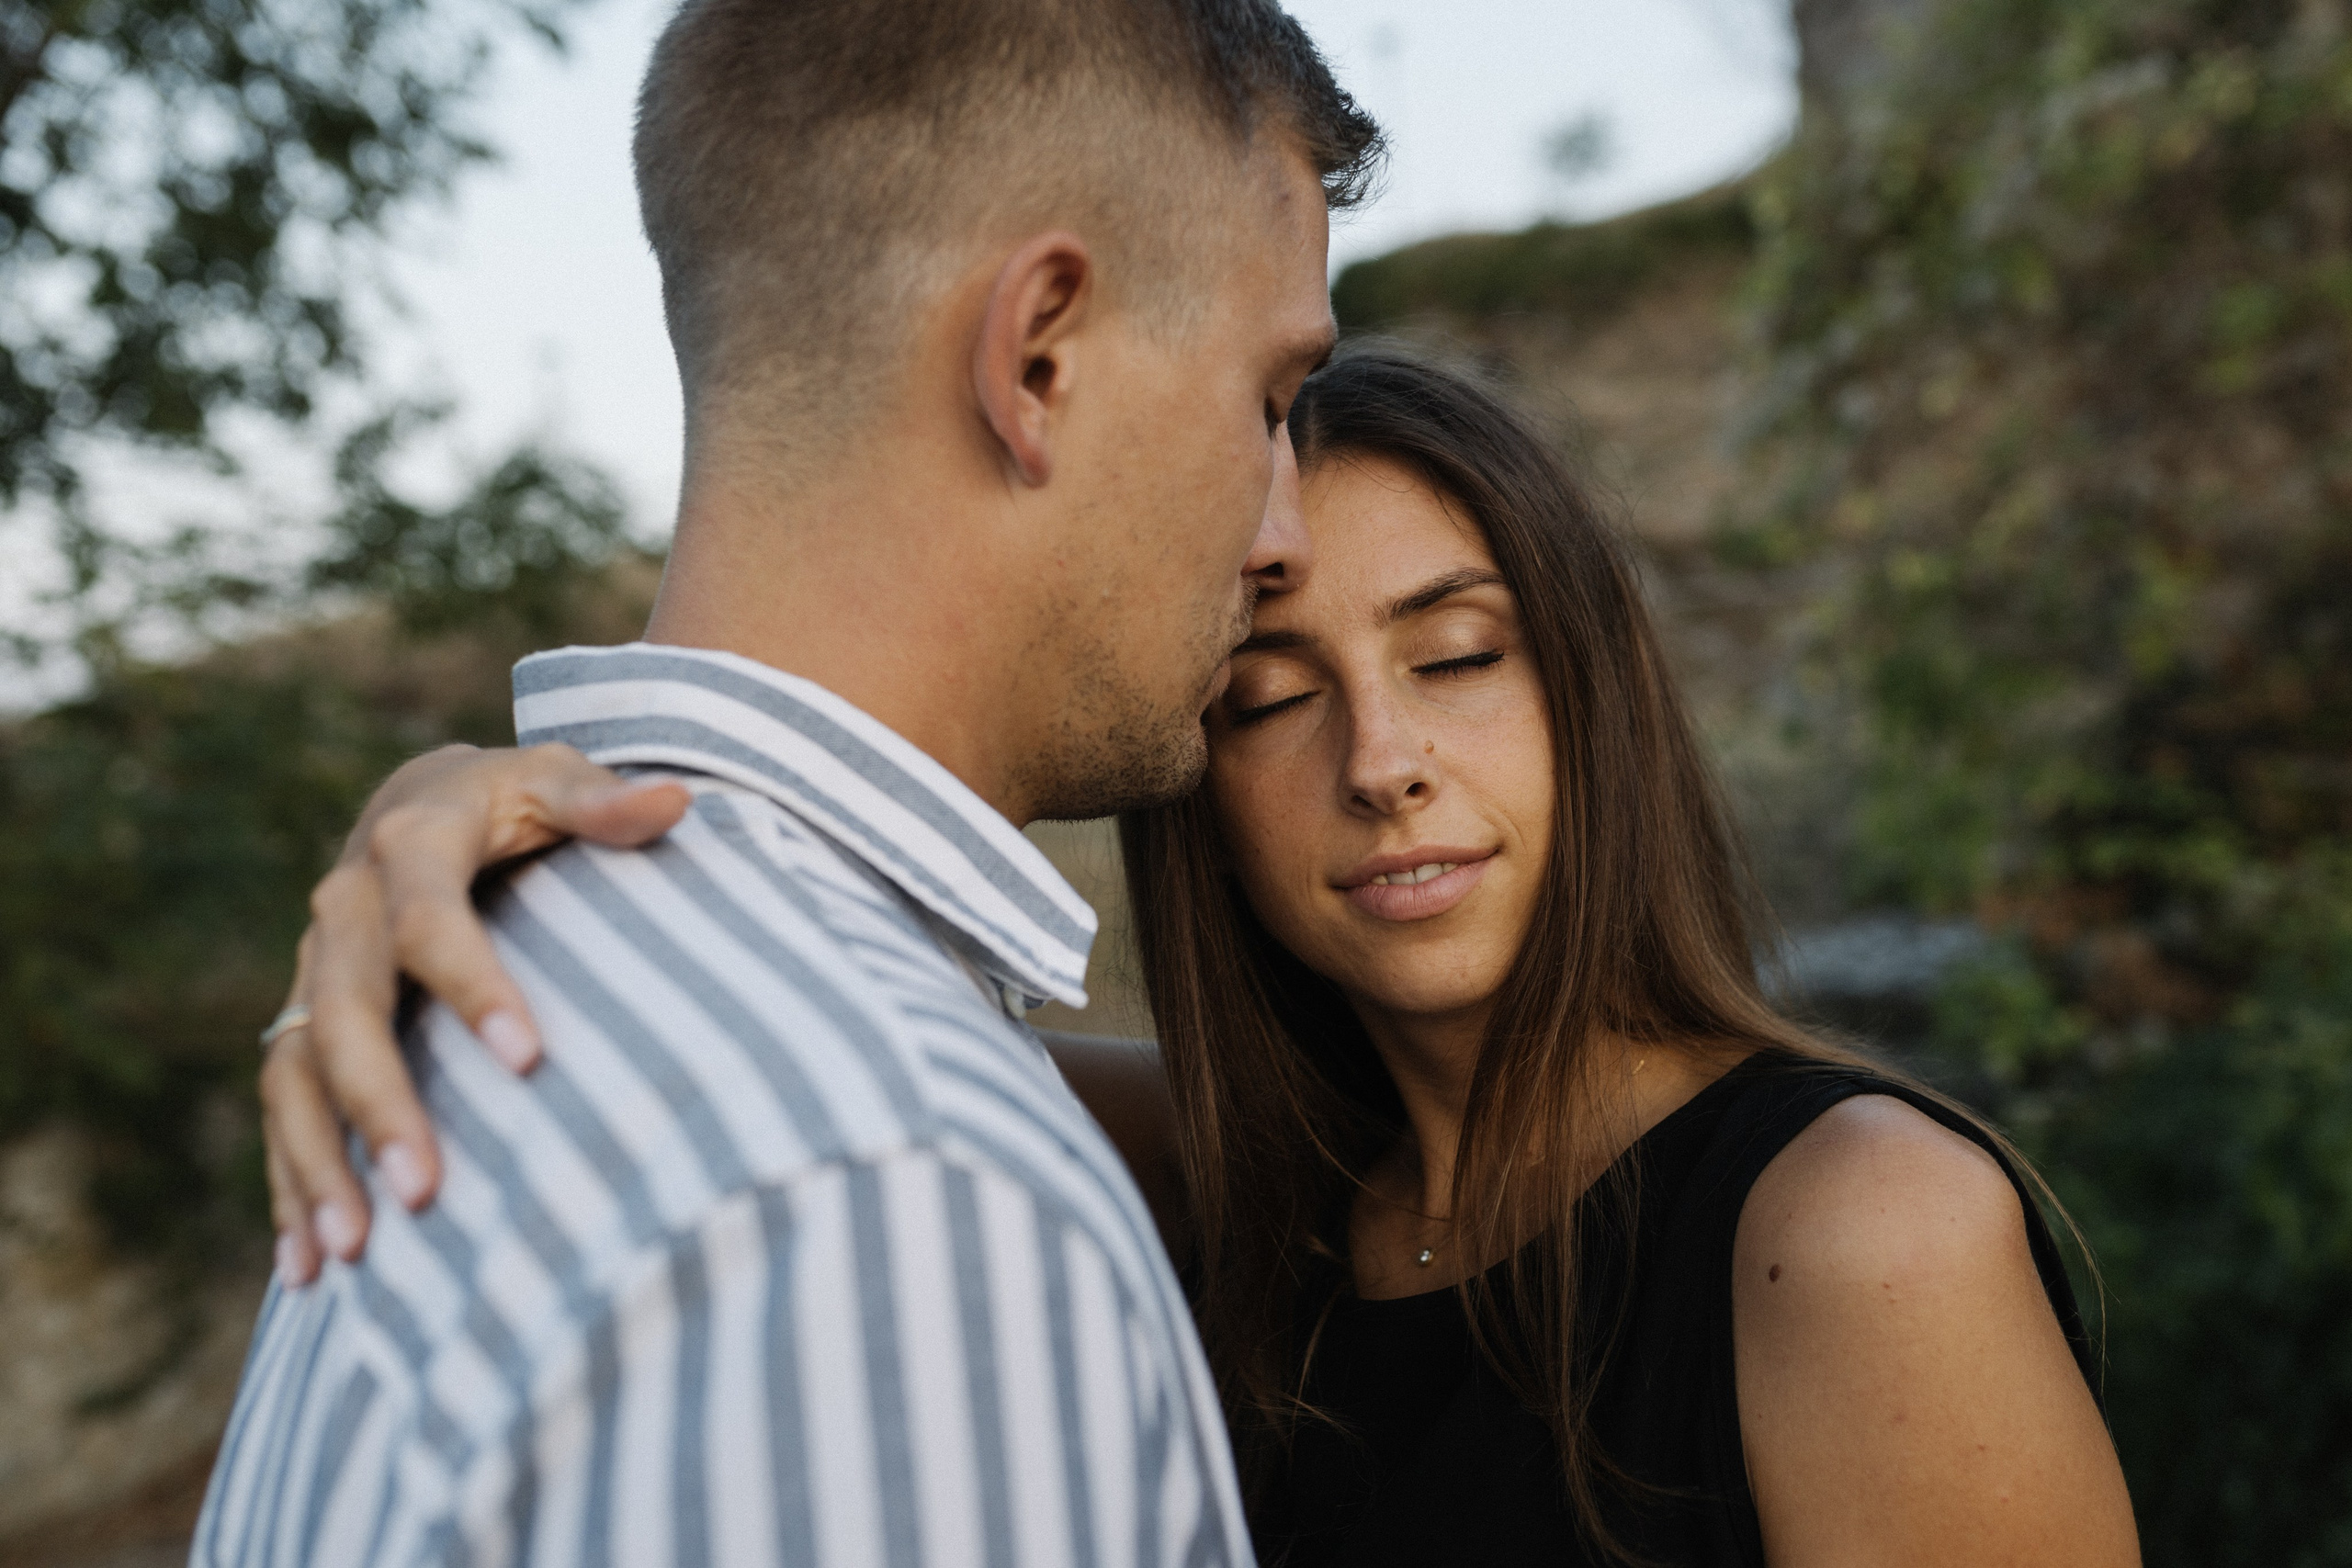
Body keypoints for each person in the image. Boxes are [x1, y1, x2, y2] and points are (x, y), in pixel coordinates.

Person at [262, 347, 2144, 1563]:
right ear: (1189, 783)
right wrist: (464, 815)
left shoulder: (1852, 1224)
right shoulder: (1206, 1186)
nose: (1379, 759)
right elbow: (766, 991)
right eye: (1263, 696)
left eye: (1456, 652)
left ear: (1593, 688)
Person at [196, 1, 1384, 1563]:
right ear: (1037, 356)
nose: (1286, 527)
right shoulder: (908, 1189)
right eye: (1270, 399)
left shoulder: (558, 986)